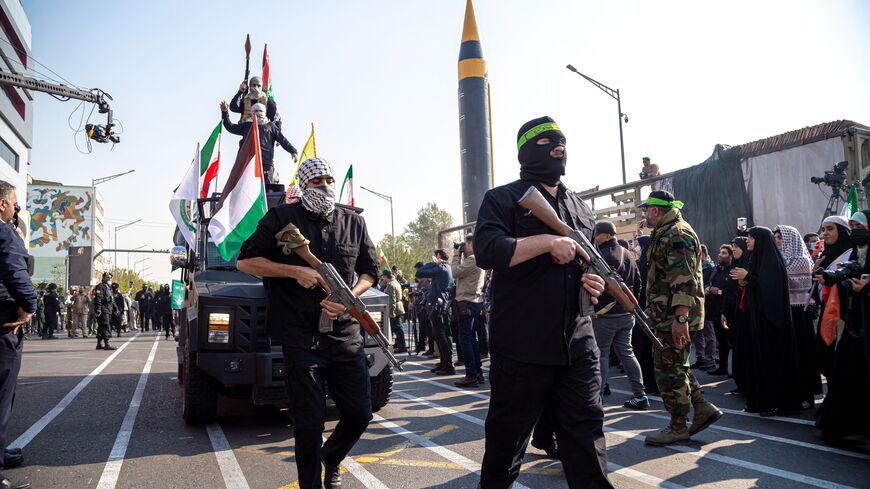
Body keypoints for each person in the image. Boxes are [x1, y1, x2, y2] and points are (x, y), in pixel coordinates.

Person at [474, 116, 612, 488]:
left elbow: (583, 267)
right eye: (549, 144)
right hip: (522, 345)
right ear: (526, 151)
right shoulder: (502, 199)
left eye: (562, 145)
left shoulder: (580, 208)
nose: (558, 150)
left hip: (577, 344)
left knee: (586, 438)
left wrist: (594, 283)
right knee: (507, 445)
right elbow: (487, 251)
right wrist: (547, 243)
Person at [236, 157, 378, 489]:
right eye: (317, 181)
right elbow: (245, 261)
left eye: (329, 179)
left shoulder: (353, 222)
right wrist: (295, 270)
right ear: (303, 185)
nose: (326, 186)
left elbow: (371, 272)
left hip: (345, 336)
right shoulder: (281, 218)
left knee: (360, 414)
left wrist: (348, 297)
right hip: (300, 337)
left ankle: (332, 456)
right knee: (309, 423)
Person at [639, 190, 722, 445]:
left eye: (646, 211)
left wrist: (681, 318)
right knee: (675, 365)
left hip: (673, 316)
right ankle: (702, 407)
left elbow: (683, 279)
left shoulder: (676, 233)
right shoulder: (669, 231)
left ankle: (677, 426)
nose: (645, 216)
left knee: (668, 371)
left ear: (655, 211)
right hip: (668, 314)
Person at [729, 227, 803, 415]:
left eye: (751, 238)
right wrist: (746, 280)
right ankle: (761, 401)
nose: (748, 241)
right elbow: (755, 284)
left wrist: (748, 278)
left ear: (761, 240)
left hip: (771, 323)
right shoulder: (757, 260)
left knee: (772, 362)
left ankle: (775, 402)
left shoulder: (772, 262)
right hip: (758, 320)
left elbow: (769, 290)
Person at [813, 210, 870, 443]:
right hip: (854, 325)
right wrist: (835, 280)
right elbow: (847, 275)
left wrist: (866, 289)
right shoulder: (857, 254)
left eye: (861, 227)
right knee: (846, 375)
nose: (856, 231)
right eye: (853, 225)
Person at [590, 221, 648, 409]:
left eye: (597, 234)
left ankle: (598, 396)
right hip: (626, 313)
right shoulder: (628, 254)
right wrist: (629, 304)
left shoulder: (602, 255)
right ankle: (640, 395)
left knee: (602, 354)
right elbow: (638, 282)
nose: (595, 238)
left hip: (605, 314)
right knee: (627, 353)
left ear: (606, 235)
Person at [0, 180, 35, 488]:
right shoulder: (5, 233)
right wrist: (28, 307)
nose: (15, 210)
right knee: (1, 396)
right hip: (3, 324)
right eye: (15, 204)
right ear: (2, 204)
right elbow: (16, 274)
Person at [774, 225, 821, 406]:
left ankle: (806, 395)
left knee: (802, 353)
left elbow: (780, 279)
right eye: (775, 237)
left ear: (790, 239)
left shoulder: (800, 259)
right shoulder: (782, 259)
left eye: (780, 237)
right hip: (787, 311)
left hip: (799, 312)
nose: (777, 240)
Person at [812, 216, 854, 376]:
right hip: (826, 311)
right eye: (823, 230)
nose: (825, 234)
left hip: (843, 313)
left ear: (842, 231)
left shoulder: (851, 254)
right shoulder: (825, 255)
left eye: (830, 229)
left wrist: (832, 282)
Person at [220, 100, 297, 185]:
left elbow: (283, 140)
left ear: (264, 112)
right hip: (248, 164)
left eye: (260, 111)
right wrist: (224, 112)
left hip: (266, 164)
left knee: (267, 189)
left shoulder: (271, 127)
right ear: (252, 113)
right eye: (255, 111)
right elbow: (230, 127)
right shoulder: (247, 126)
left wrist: (293, 151)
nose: (258, 113)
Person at [450, 234, 486, 388]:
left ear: (471, 244)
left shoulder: (473, 259)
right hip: (473, 302)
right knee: (471, 339)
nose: (463, 246)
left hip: (467, 302)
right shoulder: (476, 258)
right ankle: (477, 373)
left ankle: (471, 376)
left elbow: (455, 273)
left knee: (465, 340)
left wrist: (456, 256)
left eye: (465, 243)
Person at [415, 250, 455, 375]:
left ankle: (448, 365)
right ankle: (444, 363)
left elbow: (420, 272)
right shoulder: (446, 267)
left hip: (438, 307)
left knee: (441, 336)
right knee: (439, 336)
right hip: (440, 305)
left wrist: (432, 263)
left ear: (439, 257)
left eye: (436, 257)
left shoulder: (441, 268)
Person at [722, 237, 749, 389]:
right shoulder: (735, 266)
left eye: (737, 247)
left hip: (744, 313)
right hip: (733, 314)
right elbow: (730, 292)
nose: (734, 250)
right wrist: (724, 312)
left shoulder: (748, 266)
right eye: (733, 247)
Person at [706, 245, 733, 376]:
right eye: (720, 252)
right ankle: (722, 367)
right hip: (715, 310)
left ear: (730, 256)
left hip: (728, 311)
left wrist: (719, 291)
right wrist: (708, 289)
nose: (720, 255)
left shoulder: (732, 271)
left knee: (731, 341)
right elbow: (710, 283)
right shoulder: (716, 269)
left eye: (724, 253)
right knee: (721, 341)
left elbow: (731, 290)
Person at [691, 245, 718, 371]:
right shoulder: (699, 267)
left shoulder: (710, 268)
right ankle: (701, 358)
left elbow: (709, 285)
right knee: (698, 333)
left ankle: (710, 360)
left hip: (706, 304)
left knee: (708, 333)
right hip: (697, 303)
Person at [381, 270, 407, 354]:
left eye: (383, 277)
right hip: (398, 307)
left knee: (398, 329)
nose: (383, 278)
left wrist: (392, 312)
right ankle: (399, 345)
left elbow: (392, 300)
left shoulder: (391, 285)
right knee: (396, 328)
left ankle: (402, 347)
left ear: (385, 276)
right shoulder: (395, 282)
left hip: (395, 309)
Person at [93, 272, 117, 350]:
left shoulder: (109, 287)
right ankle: (107, 344)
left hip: (108, 309)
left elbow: (112, 300)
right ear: (103, 278)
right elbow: (98, 298)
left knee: (101, 327)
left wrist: (115, 308)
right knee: (106, 325)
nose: (109, 279)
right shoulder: (100, 287)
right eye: (107, 277)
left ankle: (99, 344)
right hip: (103, 309)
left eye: (110, 277)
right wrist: (98, 309)